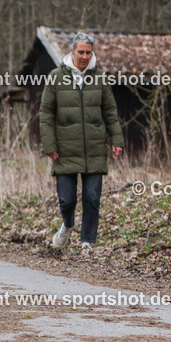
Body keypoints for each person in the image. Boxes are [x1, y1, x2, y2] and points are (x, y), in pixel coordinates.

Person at [39, 32, 124, 252]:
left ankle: (87, 241)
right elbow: (46, 114)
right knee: (66, 200)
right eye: (81, 52)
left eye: (88, 52)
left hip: (94, 149)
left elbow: (110, 112)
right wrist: (50, 146)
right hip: (64, 150)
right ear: (72, 51)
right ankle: (67, 225)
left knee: (92, 197)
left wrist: (116, 139)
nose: (85, 56)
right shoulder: (56, 77)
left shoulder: (100, 78)